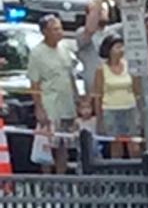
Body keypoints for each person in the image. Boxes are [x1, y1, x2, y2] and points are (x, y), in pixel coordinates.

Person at [26, 16, 79, 168]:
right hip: (50, 105)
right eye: (55, 29)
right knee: (48, 146)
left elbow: (70, 76)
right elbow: (34, 83)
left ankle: (62, 182)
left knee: (64, 146)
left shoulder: (64, 48)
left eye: (60, 28)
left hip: (67, 105)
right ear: (45, 32)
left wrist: (77, 100)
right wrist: (39, 108)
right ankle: (48, 182)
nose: (59, 32)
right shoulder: (37, 53)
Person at [92, 36, 140, 154]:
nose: (122, 50)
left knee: (133, 143)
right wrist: (99, 118)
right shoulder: (101, 69)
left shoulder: (129, 66)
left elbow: (136, 89)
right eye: (118, 47)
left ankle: (136, 168)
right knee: (115, 143)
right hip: (110, 109)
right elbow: (98, 94)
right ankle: (117, 168)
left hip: (129, 107)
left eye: (122, 47)